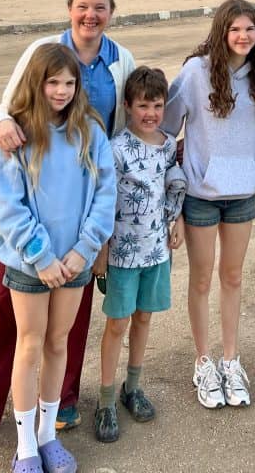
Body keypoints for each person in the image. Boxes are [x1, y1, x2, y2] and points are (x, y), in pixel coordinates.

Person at [0, 0, 135, 457]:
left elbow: (118, 136)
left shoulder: (120, 61)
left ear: (112, 12)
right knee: (6, 319)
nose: (91, 15)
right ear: (70, 8)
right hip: (33, 223)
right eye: (83, 6)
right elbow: (6, 111)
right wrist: (3, 126)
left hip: (83, 214)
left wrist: (97, 237)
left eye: (100, 7)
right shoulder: (42, 52)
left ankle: (59, 404)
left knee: (68, 323)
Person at [0, 43, 115, 473]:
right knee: (30, 345)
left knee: (58, 343)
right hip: (30, 265)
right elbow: (9, 208)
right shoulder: (16, 136)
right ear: (36, 82)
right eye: (53, 82)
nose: (61, 91)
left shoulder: (90, 132)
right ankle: (25, 445)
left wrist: (84, 249)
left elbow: (105, 196)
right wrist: (41, 256)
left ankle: (48, 435)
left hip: (73, 263)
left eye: (69, 83)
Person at [163, 0, 255, 409]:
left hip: (241, 195)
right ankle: (203, 361)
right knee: (202, 280)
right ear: (221, 31)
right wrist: (171, 200)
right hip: (201, 197)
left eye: (250, 29)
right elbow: (165, 128)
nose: (243, 36)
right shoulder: (195, 73)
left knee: (233, 278)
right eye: (235, 29)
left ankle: (231, 359)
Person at [94, 67, 186, 443]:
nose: (150, 113)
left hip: (155, 251)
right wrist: (100, 250)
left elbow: (170, 187)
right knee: (117, 324)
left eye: (158, 105)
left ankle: (132, 388)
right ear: (128, 106)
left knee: (144, 318)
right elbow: (102, 202)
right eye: (143, 105)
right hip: (121, 253)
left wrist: (176, 220)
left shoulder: (166, 145)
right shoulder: (115, 148)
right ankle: (104, 400)